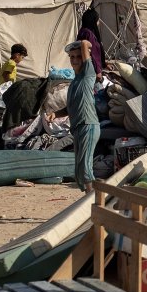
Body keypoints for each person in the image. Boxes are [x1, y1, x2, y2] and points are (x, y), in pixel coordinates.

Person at [66, 39, 100, 191]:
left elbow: (86, 43)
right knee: (79, 171)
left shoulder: (88, 74)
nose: (74, 60)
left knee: (86, 168)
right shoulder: (74, 82)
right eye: (72, 57)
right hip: (78, 128)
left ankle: (94, 203)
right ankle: (89, 199)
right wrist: (55, 113)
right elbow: (71, 107)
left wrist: (84, 44)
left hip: (88, 125)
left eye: (78, 56)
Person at [76, 8, 105, 73]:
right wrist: (98, 71)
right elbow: (93, 54)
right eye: (97, 20)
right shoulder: (88, 34)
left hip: (83, 69)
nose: (98, 22)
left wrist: (104, 64)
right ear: (93, 20)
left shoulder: (82, 31)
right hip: (90, 72)